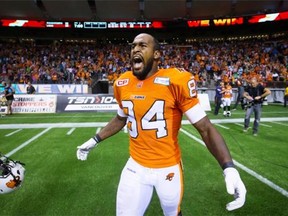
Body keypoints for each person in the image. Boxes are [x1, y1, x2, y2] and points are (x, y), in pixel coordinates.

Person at [76, 33, 246, 216]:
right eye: (133, 46)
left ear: (156, 54)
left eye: (142, 45)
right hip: (135, 165)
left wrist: (229, 168)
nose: (135, 49)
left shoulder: (176, 80)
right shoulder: (123, 82)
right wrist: (95, 139)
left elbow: (205, 128)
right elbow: (120, 118)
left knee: (172, 213)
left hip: (168, 168)